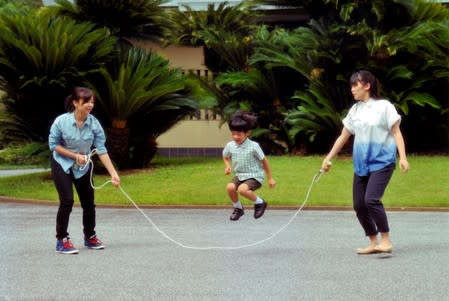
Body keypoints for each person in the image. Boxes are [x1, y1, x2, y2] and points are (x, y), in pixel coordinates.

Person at [321, 70, 409, 254]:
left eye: (356, 85)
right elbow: (343, 136)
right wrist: (328, 158)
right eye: (351, 85)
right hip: (362, 164)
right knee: (359, 205)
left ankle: (386, 240)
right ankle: (372, 241)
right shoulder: (355, 110)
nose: (352, 89)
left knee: (371, 200)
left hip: (383, 161)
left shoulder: (385, 106)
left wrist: (403, 158)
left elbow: (396, 132)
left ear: (367, 85)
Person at [49, 87, 120, 254]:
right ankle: (62, 239)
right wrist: (75, 156)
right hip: (62, 163)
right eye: (86, 101)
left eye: (92, 101)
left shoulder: (94, 124)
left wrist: (113, 173)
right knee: (67, 200)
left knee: (89, 203)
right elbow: (53, 146)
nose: (90, 104)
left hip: (83, 166)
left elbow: (101, 149)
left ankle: (90, 236)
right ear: (75, 102)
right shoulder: (61, 121)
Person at [223, 111, 276, 221]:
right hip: (240, 175)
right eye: (233, 134)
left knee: (242, 190)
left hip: (254, 176)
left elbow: (265, 161)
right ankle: (238, 208)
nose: (235, 137)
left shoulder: (254, 146)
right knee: (230, 187)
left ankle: (260, 203)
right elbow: (225, 156)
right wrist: (227, 166)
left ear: (247, 133)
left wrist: (270, 178)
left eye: (239, 134)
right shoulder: (230, 145)